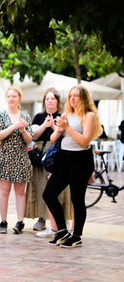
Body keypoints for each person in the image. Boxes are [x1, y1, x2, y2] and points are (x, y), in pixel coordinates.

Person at [43, 85, 102, 248]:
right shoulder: (67, 114)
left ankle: (76, 236)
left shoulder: (89, 116)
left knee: (77, 199)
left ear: (83, 98)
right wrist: (59, 128)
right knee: (48, 194)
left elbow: (85, 141)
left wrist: (67, 127)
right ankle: (62, 231)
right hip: (63, 159)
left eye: (76, 96)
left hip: (80, 160)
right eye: (71, 96)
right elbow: (54, 139)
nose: (73, 99)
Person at [25, 88, 73, 236]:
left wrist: (54, 125)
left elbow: (63, 135)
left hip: (58, 153)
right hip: (41, 154)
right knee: (40, 187)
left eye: (52, 99)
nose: (49, 101)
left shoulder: (63, 117)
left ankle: (61, 220)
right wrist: (45, 125)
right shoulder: (39, 117)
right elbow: (33, 135)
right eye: (47, 99)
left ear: (58, 102)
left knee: (59, 188)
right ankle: (42, 218)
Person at [0, 86, 33, 234]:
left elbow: (29, 139)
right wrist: (14, 126)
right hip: (5, 156)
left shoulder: (26, 117)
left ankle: (20, 221)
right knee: (4, 191)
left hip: (21, 157)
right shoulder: (1, 115)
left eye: (14, 96)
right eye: (9, 96)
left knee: (20, 191)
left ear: (19, 98)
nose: (11, 99)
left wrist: (23, 129)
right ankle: (3, 221)